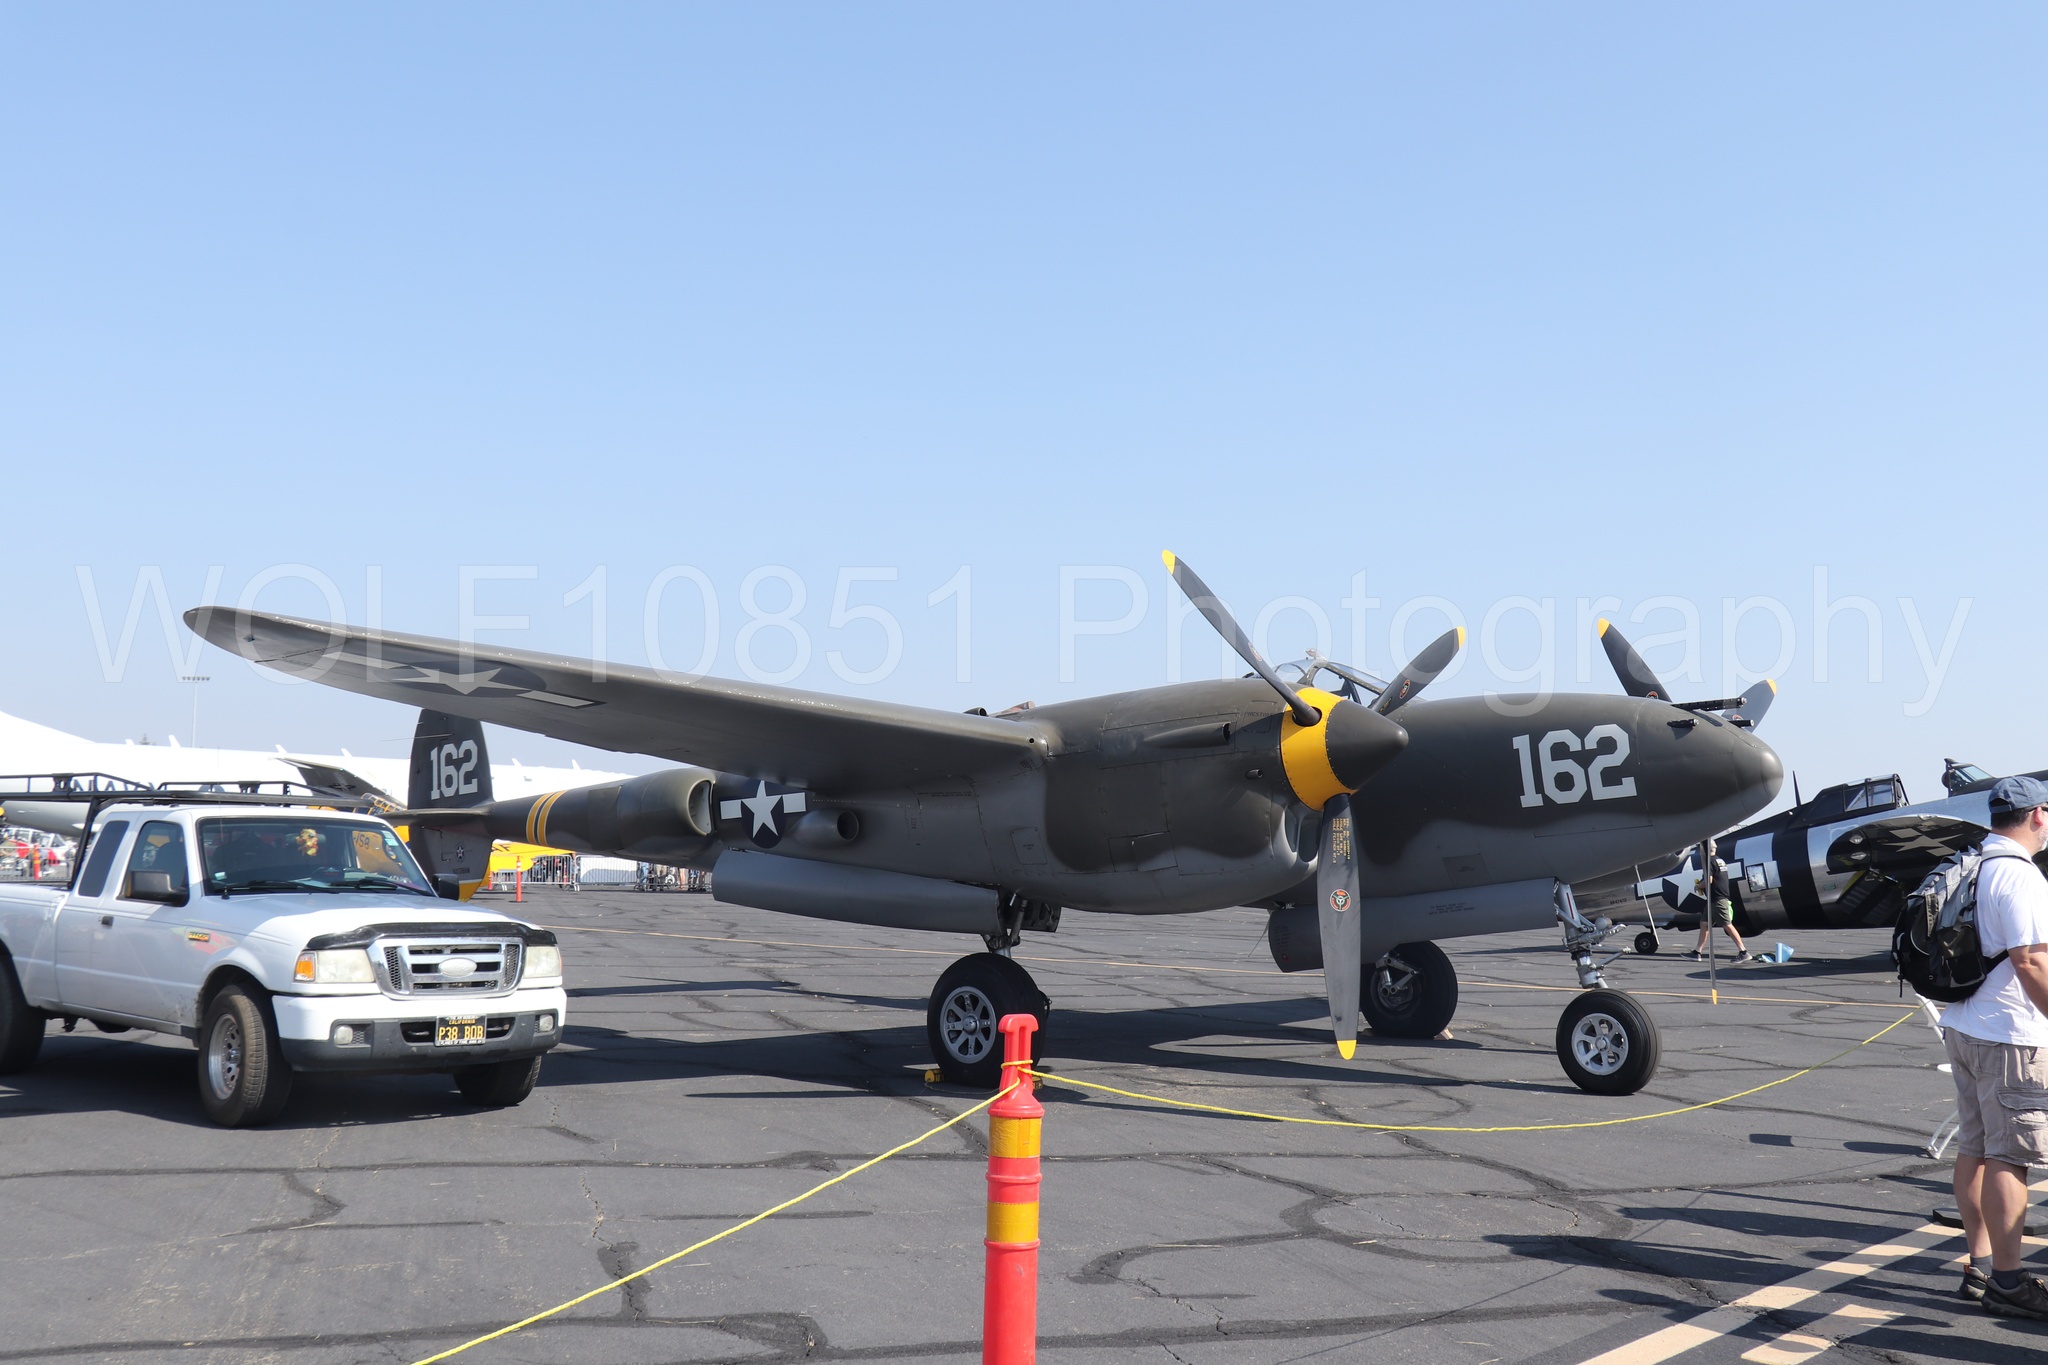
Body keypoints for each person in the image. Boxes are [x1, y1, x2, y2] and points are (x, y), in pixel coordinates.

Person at [1941, 775, 2048, 1318]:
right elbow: (2030, 960)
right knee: (2011, 1157)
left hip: (1963, 1023)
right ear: (2037, 815)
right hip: (2008, 1035)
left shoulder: (1973, 862)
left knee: (1976, 1149)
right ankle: (2009, 1281)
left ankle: (1980, 1266)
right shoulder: (2021, 875)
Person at [1683, 852, 1751, 963]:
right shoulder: (1719, 860)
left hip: (1717, 899)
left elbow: (1709, 881)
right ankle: (1697, 952)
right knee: (1704, 923)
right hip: (1714, 899)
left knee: (1727, 924)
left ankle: (1743, 952)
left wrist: (1699, 885)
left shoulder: (1709, 861)